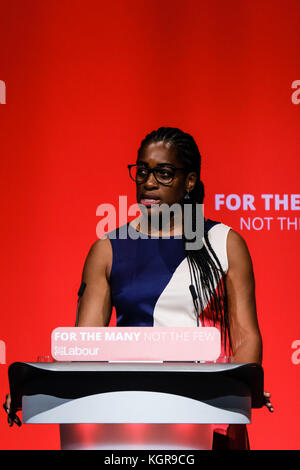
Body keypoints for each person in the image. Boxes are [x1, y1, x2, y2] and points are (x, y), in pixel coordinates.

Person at [3, 126, 273, 449]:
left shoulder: (224, 244)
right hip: (128, 420)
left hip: (206, 417)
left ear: (189, 181)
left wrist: (241, 388)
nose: (148, 182)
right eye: (142, 171)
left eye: (163, 173)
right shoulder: (107, 249)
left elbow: (245, 335)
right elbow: (84, 349)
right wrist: (37, 389)